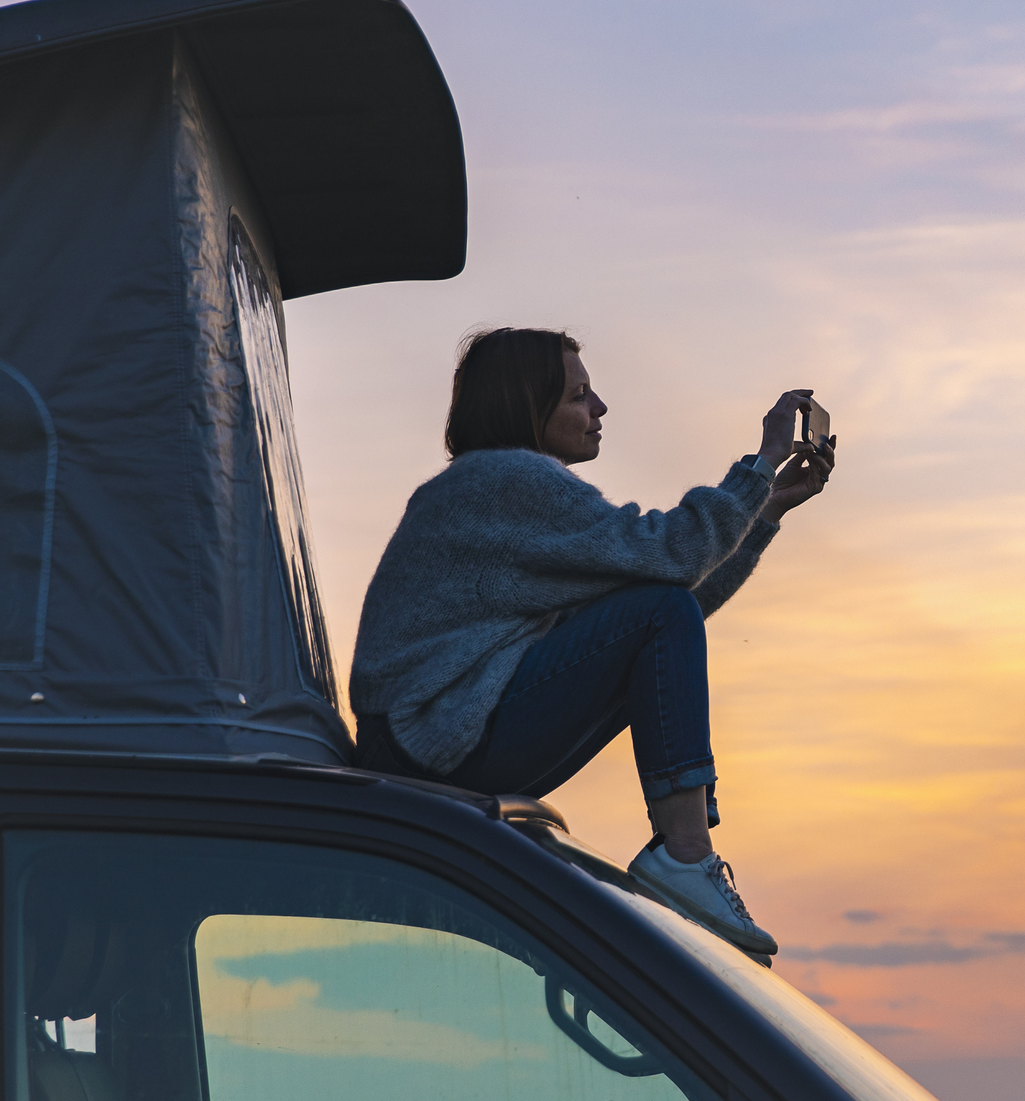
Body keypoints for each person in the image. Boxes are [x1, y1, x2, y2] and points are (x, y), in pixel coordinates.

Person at [349, 328, 835, 955]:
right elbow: (671, 562)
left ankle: (683, 861)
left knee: (660, 610)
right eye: (579, 395)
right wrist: (760, 466)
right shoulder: (504, 478)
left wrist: (763, 514)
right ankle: (685, 856)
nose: (600, 408)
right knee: (658, 607)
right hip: (432, 740)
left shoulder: (502, 490)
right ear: (529, 405)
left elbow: (671, 608)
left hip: (435, 739)